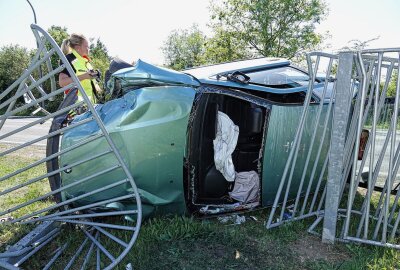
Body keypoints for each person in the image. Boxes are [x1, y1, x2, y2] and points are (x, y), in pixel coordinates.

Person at [59, 33, 103, 104]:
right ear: (78, 47)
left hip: (90, 107)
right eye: (86, 46)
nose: (89, 49)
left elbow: (91, 85)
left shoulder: (86, 62)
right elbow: (62, 82)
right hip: (76, 109)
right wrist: (84, 76)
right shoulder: (68, 59)